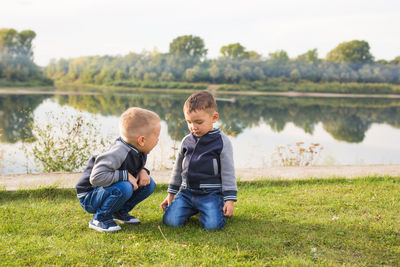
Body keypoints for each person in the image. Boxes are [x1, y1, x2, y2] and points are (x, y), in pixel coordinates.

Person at [161, 90, 237, 230]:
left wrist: (230, 200)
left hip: (211, 194)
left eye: (199, 122)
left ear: (214, 117)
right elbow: (177, 169)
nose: (193, 127)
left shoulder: (222, 141)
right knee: (170, 221)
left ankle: (215, 207)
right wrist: (171, 194)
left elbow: (228, 172)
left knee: (212, 226)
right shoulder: (186, 141)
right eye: (189, 122)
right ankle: (192, 208)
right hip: (186, 193)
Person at [76, 107, 161, 233]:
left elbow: (132, 166)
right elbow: (96, 178)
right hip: (90, 196)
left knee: (149, 184)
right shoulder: (119, 152)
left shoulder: (138, 148)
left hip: (108, 189)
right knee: (125, 186)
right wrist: (125, 175)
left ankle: (119, 212)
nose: (158, 140)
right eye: (157, 136)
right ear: (142, 140)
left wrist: (142, 171)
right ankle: (100, 218)